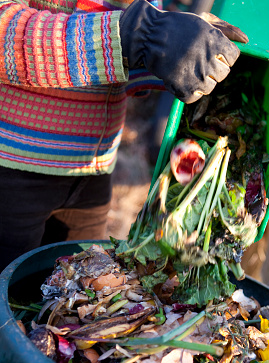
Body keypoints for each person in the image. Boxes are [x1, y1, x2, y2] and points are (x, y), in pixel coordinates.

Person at [0, 0, 248, 272]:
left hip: (91, 176)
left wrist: (174, 47)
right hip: (12, 172)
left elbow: (115, 63)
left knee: (72, 302)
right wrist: (135, 33)